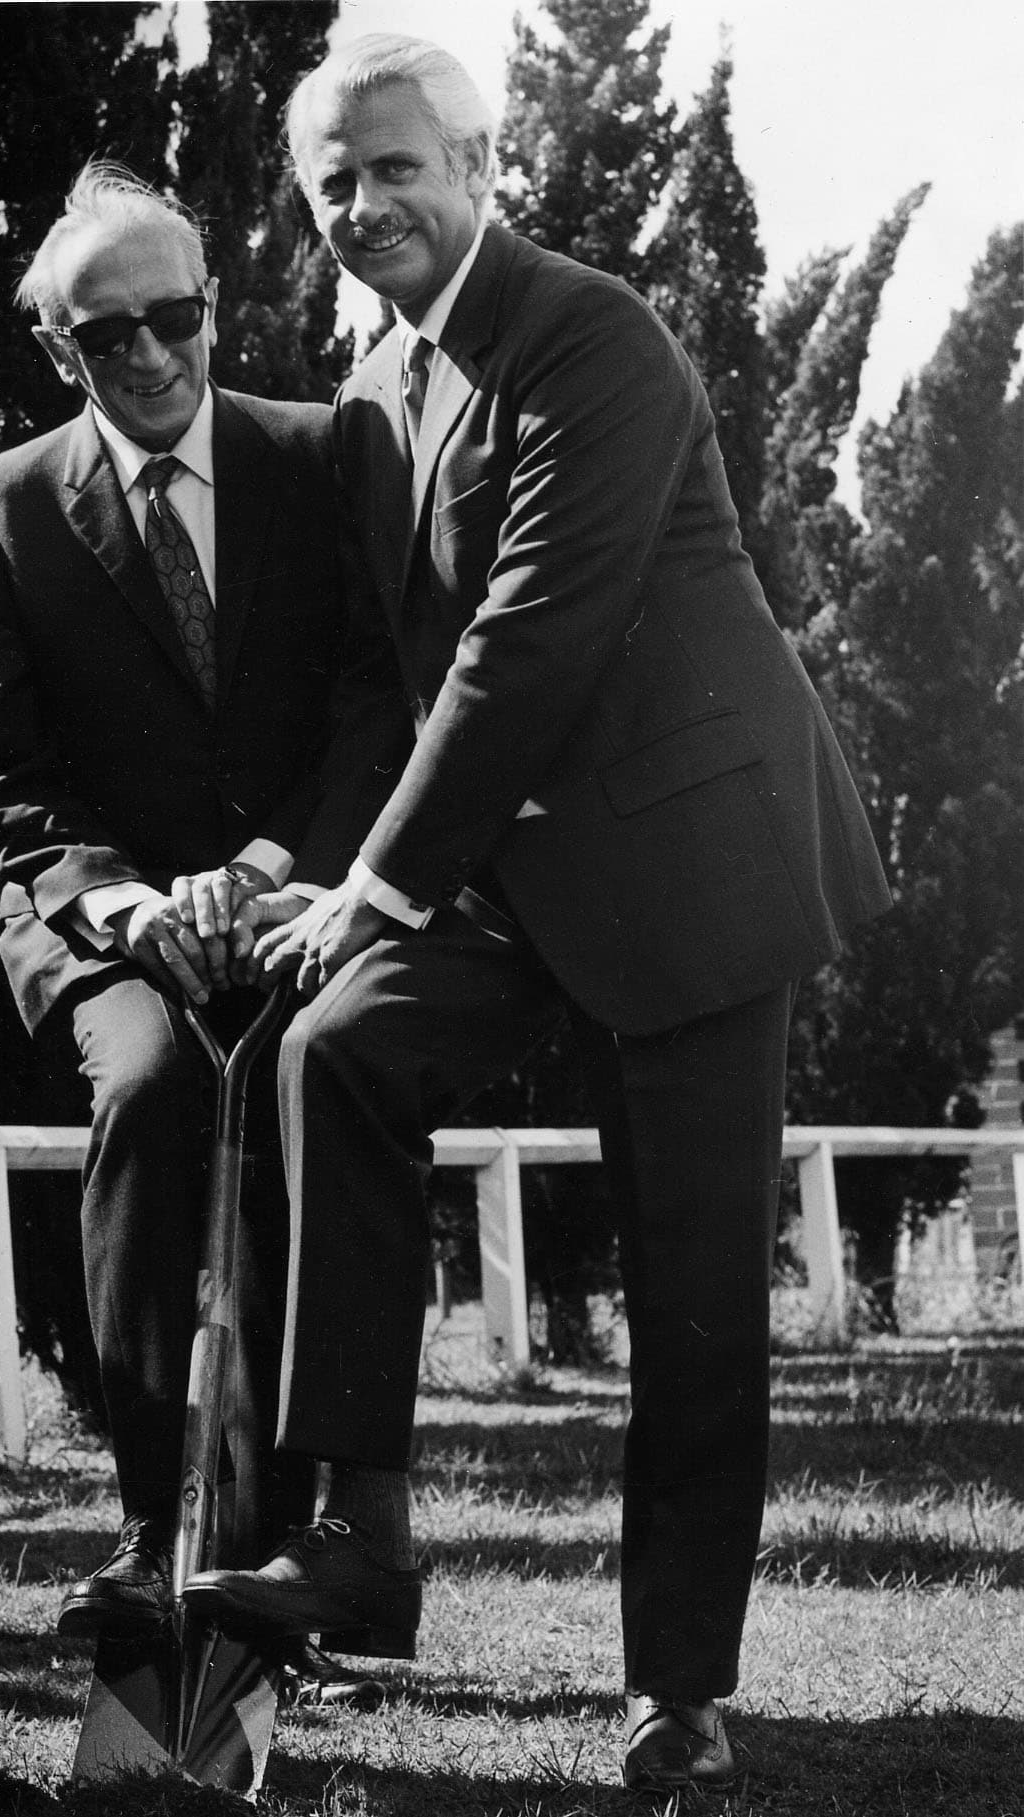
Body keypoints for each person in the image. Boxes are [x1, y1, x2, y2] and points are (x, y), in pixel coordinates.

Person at [181, 35, 892, 1788]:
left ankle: (678, 1688)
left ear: (486, 165)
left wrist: (381, 882)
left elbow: (531, 638)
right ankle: (364, 1529)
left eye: (395, 169)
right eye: (333, 183)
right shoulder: (377, 394)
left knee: (696, 1291)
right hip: (514, 872)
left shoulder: (596, 335)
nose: (363, 209)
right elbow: (389, 685)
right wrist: (299, 864)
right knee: (336, 1049)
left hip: (696, 865)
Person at [0, 161, 374, 1705]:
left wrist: (262, 873)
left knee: (293, 1098)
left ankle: (259, 1562)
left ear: (216, 308)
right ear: (58, 346)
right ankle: (144, 1527)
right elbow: (3, 780)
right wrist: (130, 902)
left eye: (170, 317)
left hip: (287, 890)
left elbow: (373, 705)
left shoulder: (325, 460)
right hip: (93, 915)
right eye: (99, 334)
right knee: (156, 1088)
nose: (144, 355)